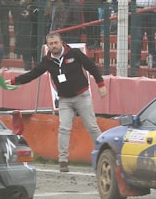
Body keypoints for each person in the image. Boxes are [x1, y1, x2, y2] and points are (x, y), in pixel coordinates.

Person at [11, 32, 108, 172]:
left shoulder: (74, 53)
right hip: (64, 100)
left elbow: (91, 66)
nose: (54, 46)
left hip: (82, 96)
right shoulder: (47, 61)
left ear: (61, 42)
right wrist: (15, 81)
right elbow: (32, 74)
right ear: (47, 46)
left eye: (56, 43)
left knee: (92, 127)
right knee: (64, 128)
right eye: (50, 44)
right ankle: (63, 160)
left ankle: (103, 155)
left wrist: (101, 84)